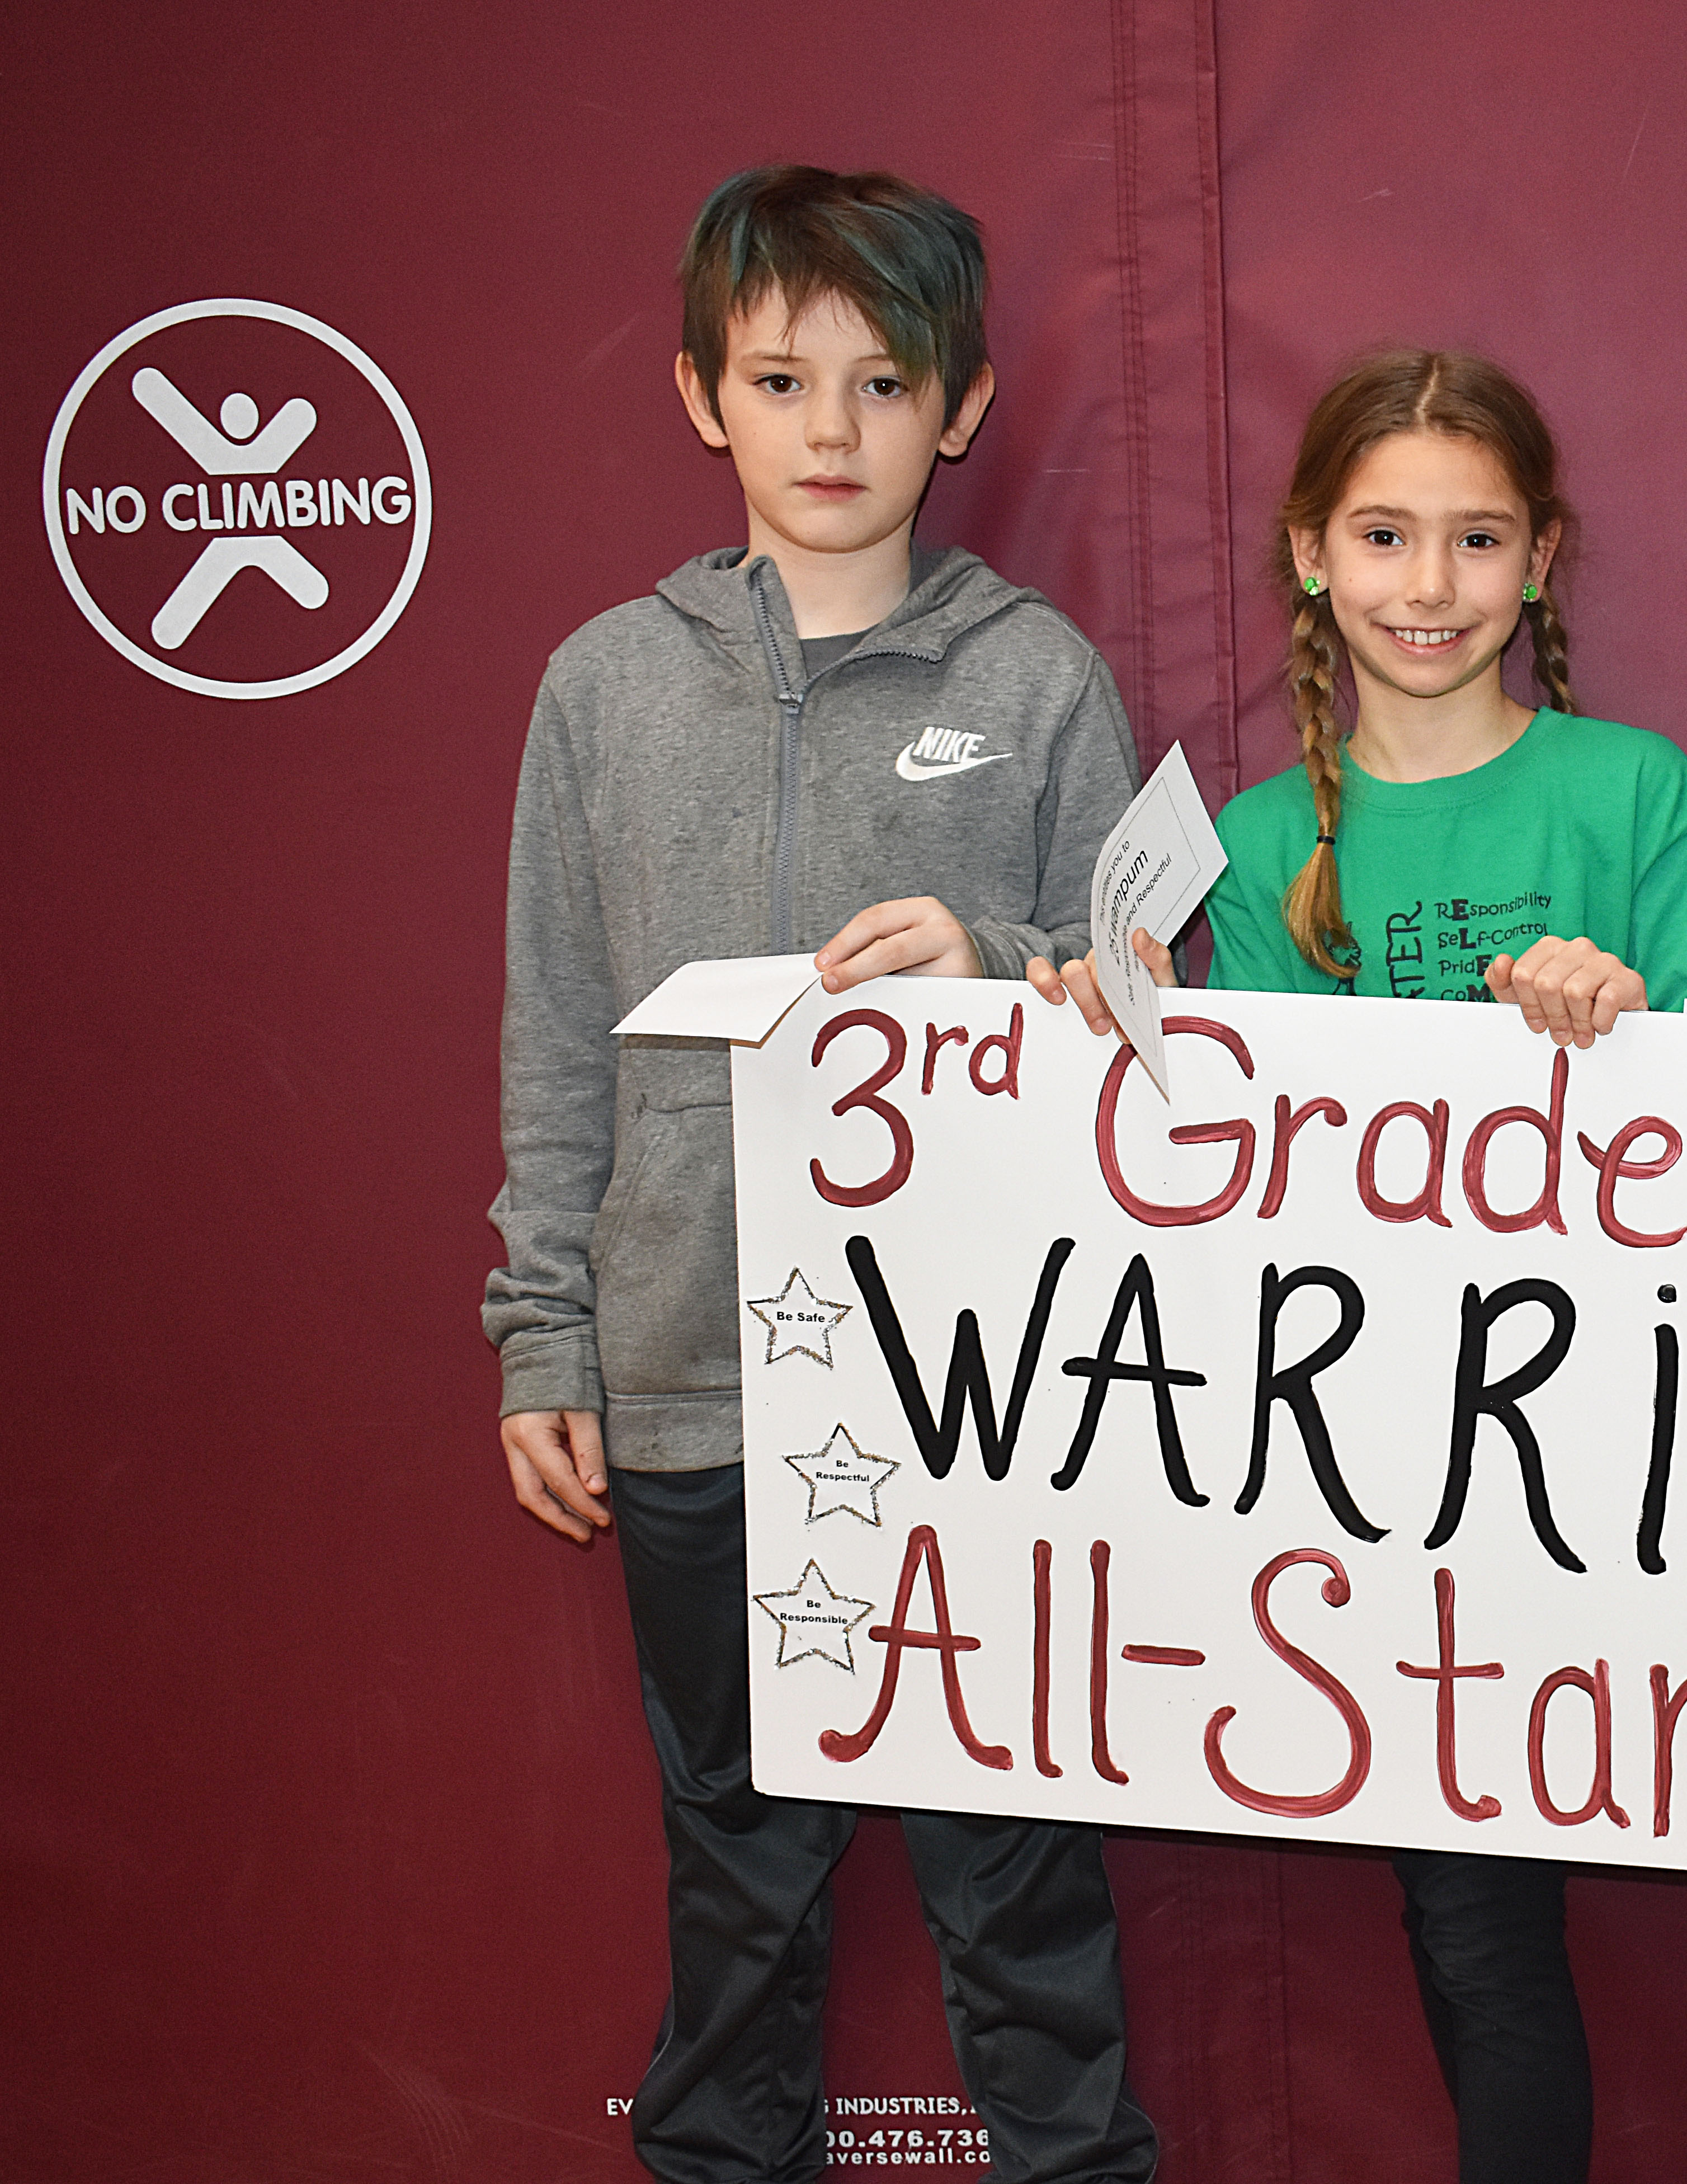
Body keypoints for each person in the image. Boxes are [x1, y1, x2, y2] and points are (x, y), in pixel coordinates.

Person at [482, 165, 1156, 2184]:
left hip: (991, 1396)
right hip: (698, 1376)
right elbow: (553, 1028)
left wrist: (1008, 967)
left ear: (958, 410)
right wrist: (546, 1335)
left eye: (885, 382)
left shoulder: (1039, 679)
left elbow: (1151, 999)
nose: (835, 429)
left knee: (1016, 1872)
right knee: (738, 1878)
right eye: (784, 380)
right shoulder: (603, 687)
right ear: (705, 397)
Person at [1039, 350, 1687, 2184]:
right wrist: (1106, 1037)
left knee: (1514, 1916)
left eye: (1476, 537)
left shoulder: (1641, 791)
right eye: (1385, 535)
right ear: (1310, 553)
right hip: (1384, 1485)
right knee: (1472, 1923)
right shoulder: (1260, 847)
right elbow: (1264, 1178)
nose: (1429, 586)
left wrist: (1630, 1015)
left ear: (1542, 560)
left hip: (1608, 1452)